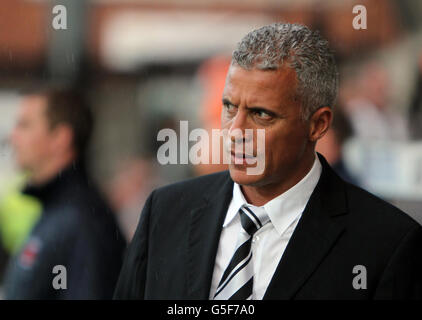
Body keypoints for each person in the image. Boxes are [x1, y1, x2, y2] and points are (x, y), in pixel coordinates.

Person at [114, 23, 422, 300]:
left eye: (261, 114)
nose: (235, 132)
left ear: (318, 125)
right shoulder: (164, 214)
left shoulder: (385, 243)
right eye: (229, 108)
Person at [3, 87, 126, 299]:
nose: (12, 137)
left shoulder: (82, 220)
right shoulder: (57, 209)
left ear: (61, 138)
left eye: (25, 125)